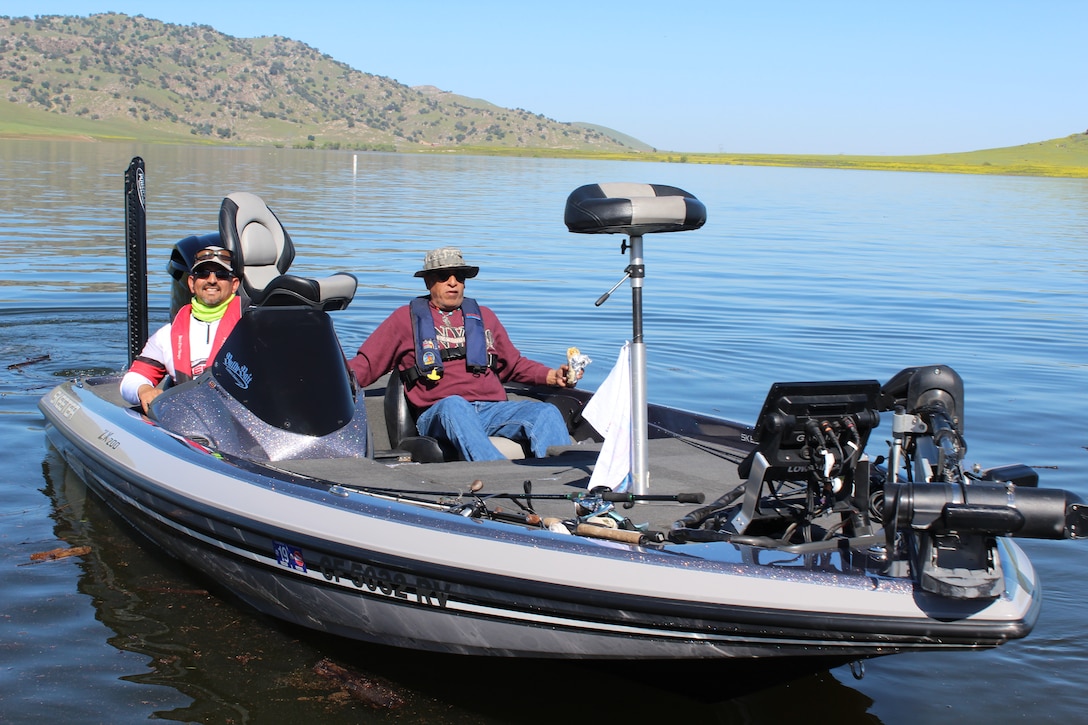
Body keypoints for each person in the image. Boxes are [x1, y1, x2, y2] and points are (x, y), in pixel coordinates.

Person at [348, 247, 581, 461]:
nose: (453, 283)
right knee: (455, 405)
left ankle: (559, 486)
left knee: (546, 412)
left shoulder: (484, 317)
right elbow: (366, 365)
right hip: (439, 412)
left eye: (459, 277)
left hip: (491, 409)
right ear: (429, 282)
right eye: (444, 277)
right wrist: (327, 380)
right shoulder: (403, 319)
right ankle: (500, 478)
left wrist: (551, 376)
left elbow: (514, 365)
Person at [120, 245, 244, 414]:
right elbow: (132, 379)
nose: (212, 280)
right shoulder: (166, 335)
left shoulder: (252, 327)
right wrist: (144, 390)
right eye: (203, 273)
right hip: (189, 422)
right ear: (192, 283)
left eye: (221, 274)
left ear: (234, 284)